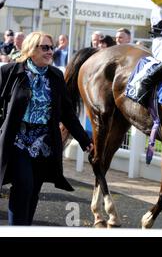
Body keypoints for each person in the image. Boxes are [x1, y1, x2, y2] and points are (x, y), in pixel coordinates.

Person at [0, 31, 94, 225]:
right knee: (23, 186)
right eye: (45, 47)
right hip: (18, 140)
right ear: (31, 49)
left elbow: (67, 113)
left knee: (33, 191)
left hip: (44, 144)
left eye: (51, 47)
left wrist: (85, 140)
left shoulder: (56, 76)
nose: (50, 51)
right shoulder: (10, 72)